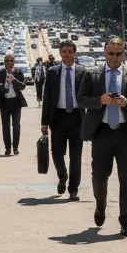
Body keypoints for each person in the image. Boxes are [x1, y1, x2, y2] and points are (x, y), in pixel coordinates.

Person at [77, 37, 127, 237]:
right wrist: (99, 100)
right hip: (102, 132)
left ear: (123, 54)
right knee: (100, 176)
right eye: (111, 53)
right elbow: (81, 99)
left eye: (118, 54)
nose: (114, 57)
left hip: (126, 133)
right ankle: (100, 205)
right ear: (105, 54)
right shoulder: (93, 75)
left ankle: (126, 222)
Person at [41, 39, 86, 200]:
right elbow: (47, 98)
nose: (66, 54)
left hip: (77, 117)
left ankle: (73, 189)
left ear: (74, 53)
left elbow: (88, 97)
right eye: (63, 52)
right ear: (60, 54)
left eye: (69, 51)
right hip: (58, 117)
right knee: (56, 152)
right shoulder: (53, 72)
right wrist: (44, 122)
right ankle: (62, 175)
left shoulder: (82, 72)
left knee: (76, 155)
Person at [0, 54, 27, 155]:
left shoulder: (18, 72)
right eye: (7, 61)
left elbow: (23, 86)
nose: (10, 63)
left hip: (16, 103)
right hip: (5, 102)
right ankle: (8, 148)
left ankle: (15, 147)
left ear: (14, 62)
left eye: (11, 61)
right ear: (4, 63)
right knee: (6, 127)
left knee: (16, 126)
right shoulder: (0, 73)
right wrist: (1, 85)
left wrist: (14, 80)